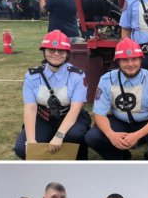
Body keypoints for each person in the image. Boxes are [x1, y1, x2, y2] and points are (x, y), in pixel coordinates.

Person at [84, 38, 148, 160]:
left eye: (134, 59)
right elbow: (99, 114)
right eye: (125, 60)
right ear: (118, 62)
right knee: (92, 137)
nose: (130, 64)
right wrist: (111, 135)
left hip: (147, 122)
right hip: (120, 121)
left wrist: (136, 135)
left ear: (141, 60)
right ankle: (120, 157)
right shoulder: (106, 80)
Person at [14, 30, 91, 160]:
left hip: (70, 116)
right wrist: (31, 141)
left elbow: (75, 109)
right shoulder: (32, 76)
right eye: (51, 50)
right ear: (44, 51)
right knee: (23, 149)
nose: (56, 54)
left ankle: (80, 155)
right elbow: (30, 108)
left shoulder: (77, 76)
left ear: (67, 53)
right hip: (43, 117)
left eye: (61, 51)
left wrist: (59, 135)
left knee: (74, 136)